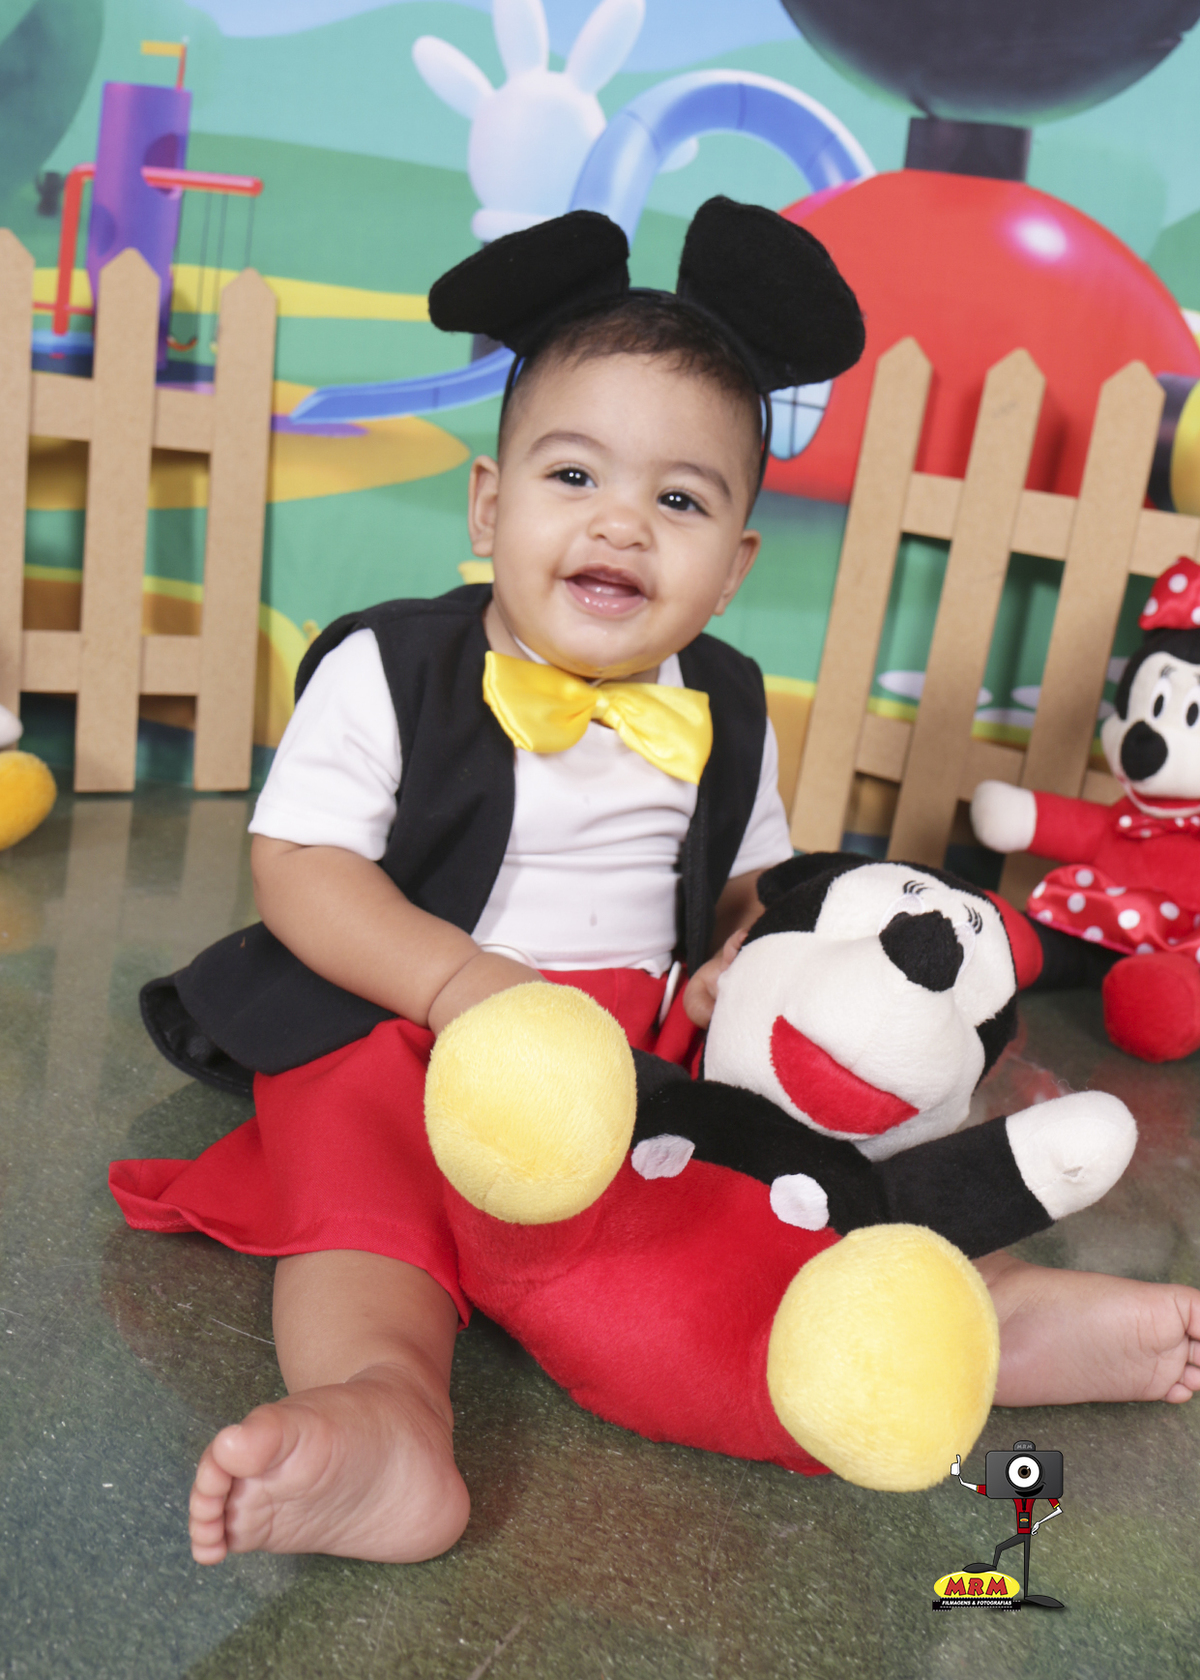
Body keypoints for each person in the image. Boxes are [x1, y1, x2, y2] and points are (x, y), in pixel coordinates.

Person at [109, 202, 1200, 1569]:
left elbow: (750, 885)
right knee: (370, 1206)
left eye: (679, 500)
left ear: (733, 565)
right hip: (406, 1020)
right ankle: (384, 1410)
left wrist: (750, 951)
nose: (621, 523)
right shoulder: (390, 669)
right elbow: (301, 867)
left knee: (787, 1163)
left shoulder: (727, 704)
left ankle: (987, 1307)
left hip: (641, 1038)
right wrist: (456, 985)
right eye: (574, 475)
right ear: (490, 504)